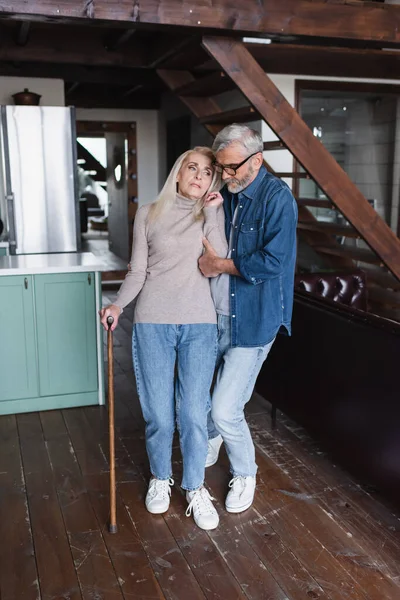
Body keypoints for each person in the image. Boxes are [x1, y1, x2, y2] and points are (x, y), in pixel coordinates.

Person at [100, 147, 227, 531]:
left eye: (207, 172)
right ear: (178, 173)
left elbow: (218, 260)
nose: (200, 176)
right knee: (158, 413)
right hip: (152, 322)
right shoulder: (149, 214)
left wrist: (216, 211)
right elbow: (137, 271)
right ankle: (160, 478)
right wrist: (118, 305)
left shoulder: (209, 214)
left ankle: (194, 486)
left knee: (192, 412)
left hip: (199, 326)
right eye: (193, 168)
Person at [199, 124, 298, 513]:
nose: (225, 176)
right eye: (220, 168)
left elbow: (273, 262)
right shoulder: (226, 193)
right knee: (204, 393)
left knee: (226, 407)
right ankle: (212, 435)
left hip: (254, 322)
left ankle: (245, 472)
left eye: (230, 168)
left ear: (256, 160)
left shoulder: (278, 199)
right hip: (216, 313)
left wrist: (218, 264)